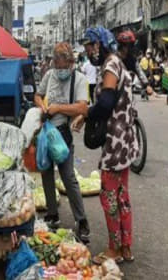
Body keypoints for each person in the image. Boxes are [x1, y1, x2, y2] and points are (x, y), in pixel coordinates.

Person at [79, 27, 139, 264]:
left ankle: (114, 248)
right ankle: (126, 247)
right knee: (122, 196)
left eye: (91, 45)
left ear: (101, 44)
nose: (89, 51)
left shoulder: (111, 65)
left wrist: (85, 113)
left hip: (115, 142)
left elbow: (105, 104)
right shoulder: (118, 63)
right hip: (125, 139)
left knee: (109, 197)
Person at [34, 42, 90, 243]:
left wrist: (58, 107)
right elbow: (38, 95)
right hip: (46, 131)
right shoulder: (49, 76)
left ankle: (82, 222)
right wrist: (42, 105)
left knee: (68, 177)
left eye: (62, 66)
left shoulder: (79, 79)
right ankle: (52, 214)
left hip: (62, 134)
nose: (59, 70)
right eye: (56, 66)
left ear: (70, 62)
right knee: (46, 173)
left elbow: (82, 108)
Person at [116, 30, 154, 98]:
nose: (131, 49)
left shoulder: (132, 60)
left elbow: (139, 71)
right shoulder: (114, 58)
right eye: (129, 46)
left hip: (126, 91)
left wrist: (147, 85)